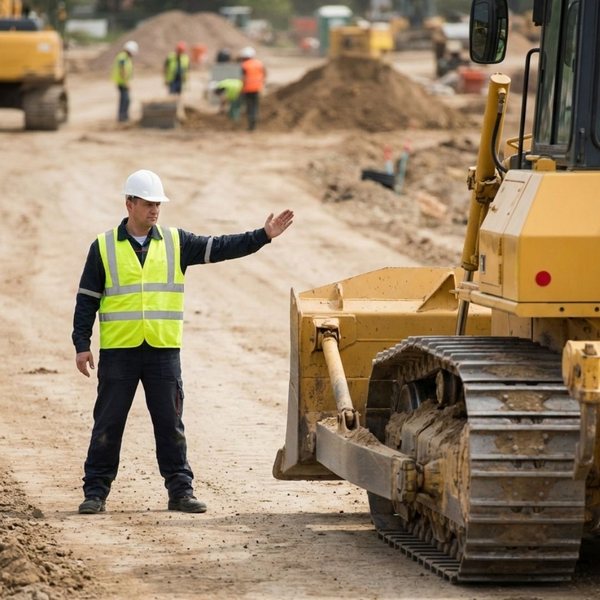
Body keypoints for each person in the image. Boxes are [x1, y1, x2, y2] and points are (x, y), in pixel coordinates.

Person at [73, 170, 294, 515]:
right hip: (119, 353)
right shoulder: (103, 247)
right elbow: (87, 298)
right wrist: (81, 343)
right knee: (108, 424)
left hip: (163, 351)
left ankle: (180, 491)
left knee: (170, 424)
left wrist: (263, 235)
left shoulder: (176, 242)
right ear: (129, 203)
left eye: (158, 204)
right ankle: (95, 492)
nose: (155, 210)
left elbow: (220, 247)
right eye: (148, 204)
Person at [239, 46, 265, 132]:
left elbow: (243, 78)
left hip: (248, 89)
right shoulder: (259, 63)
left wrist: (241, 89)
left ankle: (251, 126)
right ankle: (254, 124)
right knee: (255, 106)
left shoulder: (244, 65)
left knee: (250, 107)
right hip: (257, 88)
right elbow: (264, 74)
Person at [111, 40, 138, 122]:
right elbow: (122, 70)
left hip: (122, 81)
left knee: (124, 99)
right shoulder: (123, 57)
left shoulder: (124, 57)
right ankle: (123, 117)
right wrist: (126, 82)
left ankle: (123, 117)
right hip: (122, 82)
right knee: (125, 100)